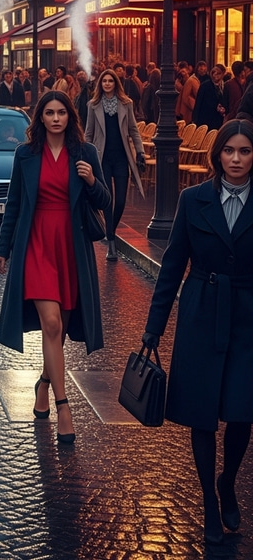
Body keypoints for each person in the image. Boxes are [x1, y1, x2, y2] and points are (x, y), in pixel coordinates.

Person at [141, 119, 253, 545]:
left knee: (242, 412)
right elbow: (171, 267)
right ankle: (209, 501)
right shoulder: (192, 200)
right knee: (203, 415)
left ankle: (228, 481)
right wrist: (154, 327)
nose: (237, 159)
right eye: (230, 151)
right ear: (217, 155)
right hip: (201, 313)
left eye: (245, 151)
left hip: (247, 315)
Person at [0, 90, 110, 444]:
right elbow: (13, 203)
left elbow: (105, 201)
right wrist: (3, 249)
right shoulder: (26, 154)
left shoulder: (85, 153)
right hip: (37, 245)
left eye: (61, 112)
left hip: (71, 248)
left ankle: (44, 383)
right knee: (52, 322)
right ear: (40, 118)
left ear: (69, 117)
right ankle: (64, 406)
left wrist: (90, 180)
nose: (56, 118)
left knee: (58, 332)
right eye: (49, 113)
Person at [84, 68, 146, 260]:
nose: (108, 84)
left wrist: (140, 152)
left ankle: (110, 229)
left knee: (120, 201)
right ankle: (111, 242)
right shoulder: (93, 105)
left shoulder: (126, 104)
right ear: (100, 84)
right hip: (102, 158)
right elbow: (89, 133)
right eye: (105, 81)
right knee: (108, 200)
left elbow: (134, 130)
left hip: (121, 158)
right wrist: (86, 155)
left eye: (111, 81)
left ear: (115, 84)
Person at [192, 64, 227, 130]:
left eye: (219, 74)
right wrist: (195, 119)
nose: (216, 76)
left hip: (217, 119)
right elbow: (199, 102)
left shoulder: (223, 85)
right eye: (214, 73)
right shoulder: (205, 85)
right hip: (206, 118)